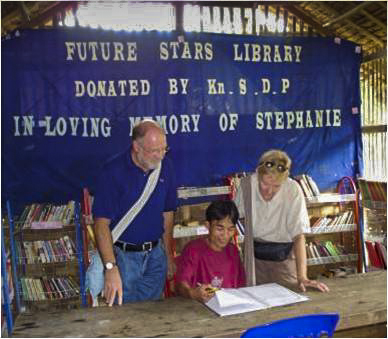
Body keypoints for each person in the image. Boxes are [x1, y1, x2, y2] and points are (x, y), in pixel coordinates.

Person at [91, 119, 177, 306]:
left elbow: (168, 213)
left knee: (153, 315)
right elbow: (101, 224)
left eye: (164, 149)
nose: (160, 156)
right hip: (123, 258)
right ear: (136, 147)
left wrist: (169, 254)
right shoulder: (112, 171)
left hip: (155, 256)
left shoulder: (166, 167)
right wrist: (110, 267)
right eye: (155, 150)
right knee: (124, 318)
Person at [234, 149, 329, 293]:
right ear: (258, 174)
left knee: (289, 302)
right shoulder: (247, 185)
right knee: (255, 302)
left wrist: (302, 277)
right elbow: (233, 216)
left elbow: (298, 235)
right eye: (265, 184)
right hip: (254, 259)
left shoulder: (292, 190)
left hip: (284, 259)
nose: (269, 191)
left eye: (276, 186)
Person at [176, 200, 246, 303]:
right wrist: (192, 293)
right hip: (199, 309)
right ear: (208, 226)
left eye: (230, 229)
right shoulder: (193, 250)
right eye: (219, 228)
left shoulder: (233, 251)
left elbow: (241, 287)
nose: (225, 235)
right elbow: (180, 285)